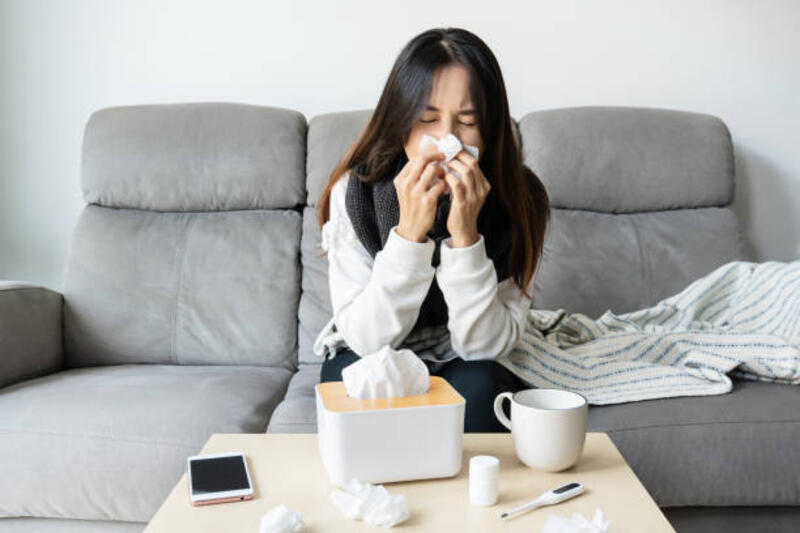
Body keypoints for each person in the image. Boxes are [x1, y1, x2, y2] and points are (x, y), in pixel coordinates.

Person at [313, 27, 551, 432]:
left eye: (468, 121)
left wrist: (466, 239)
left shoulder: (518, 198)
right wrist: (408, 236)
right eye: (427, 119)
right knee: (350, 390)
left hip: (464, 354)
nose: (447, 140)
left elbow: (484, 347)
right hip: (371, 346)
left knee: (485, 391)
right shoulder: (355, 195)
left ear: (491, 129)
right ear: (400, 123)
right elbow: (367, 341)